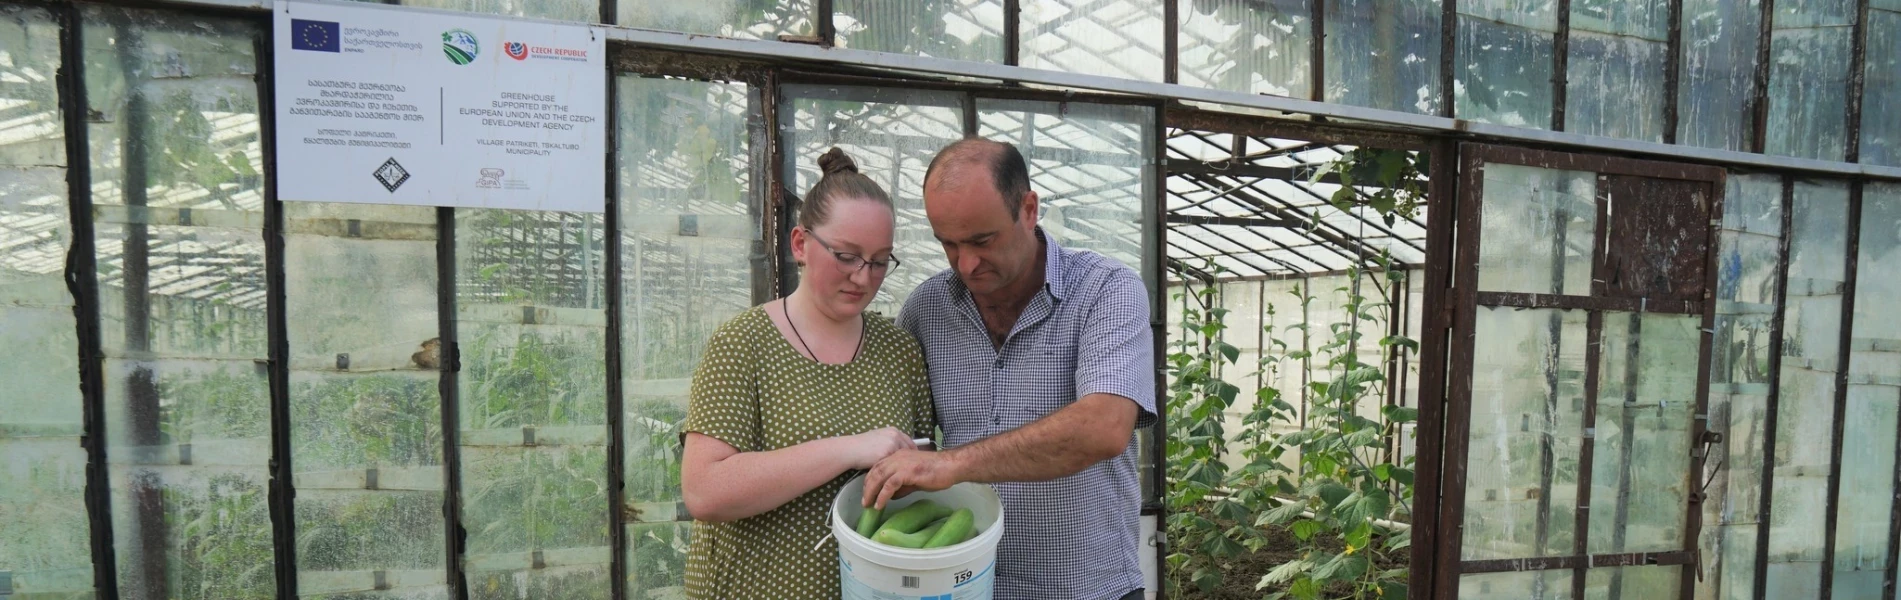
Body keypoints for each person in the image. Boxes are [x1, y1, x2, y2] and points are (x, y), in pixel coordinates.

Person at [869, 138, 1156, 600]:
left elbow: (1104, 427)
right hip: (968, 585)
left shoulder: (1105, 289)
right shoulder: (927, 308)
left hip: (1086, 588)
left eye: (982, 241)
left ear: (1028, 209)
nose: (966, 263)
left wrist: (951, 464)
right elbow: (906, 438)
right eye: (948, 244)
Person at [680, 148, 935, 599]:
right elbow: (705, 491)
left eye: (879, 261)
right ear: (800, 244)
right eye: (847, 256)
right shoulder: (744, 343)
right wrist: (848, 448)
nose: (863, 278)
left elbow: (914, 474)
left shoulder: (899, 351)